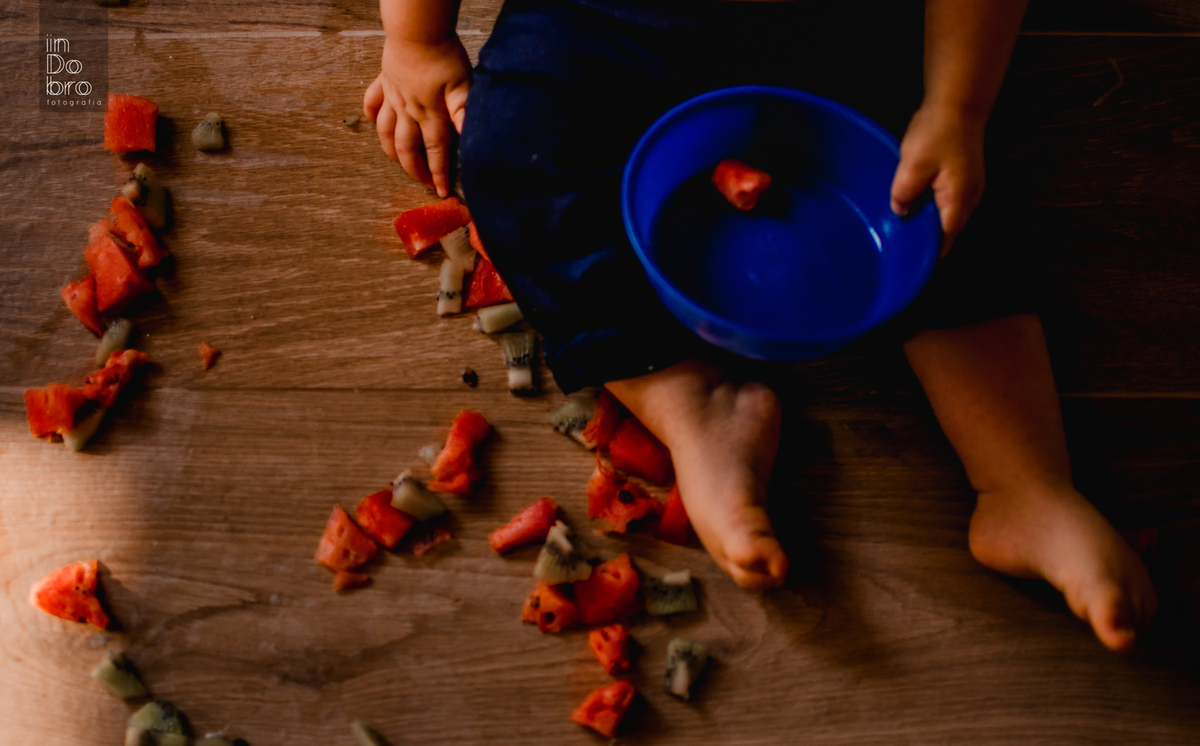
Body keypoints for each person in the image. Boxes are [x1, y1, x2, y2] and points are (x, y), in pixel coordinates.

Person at [363, 0, 1158, 651]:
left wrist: (959, 105)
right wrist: (417, 40)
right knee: (508, 152)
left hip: (856, 31)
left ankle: (1022, 482)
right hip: (608, 24)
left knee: (945, 197)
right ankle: (691, 406)